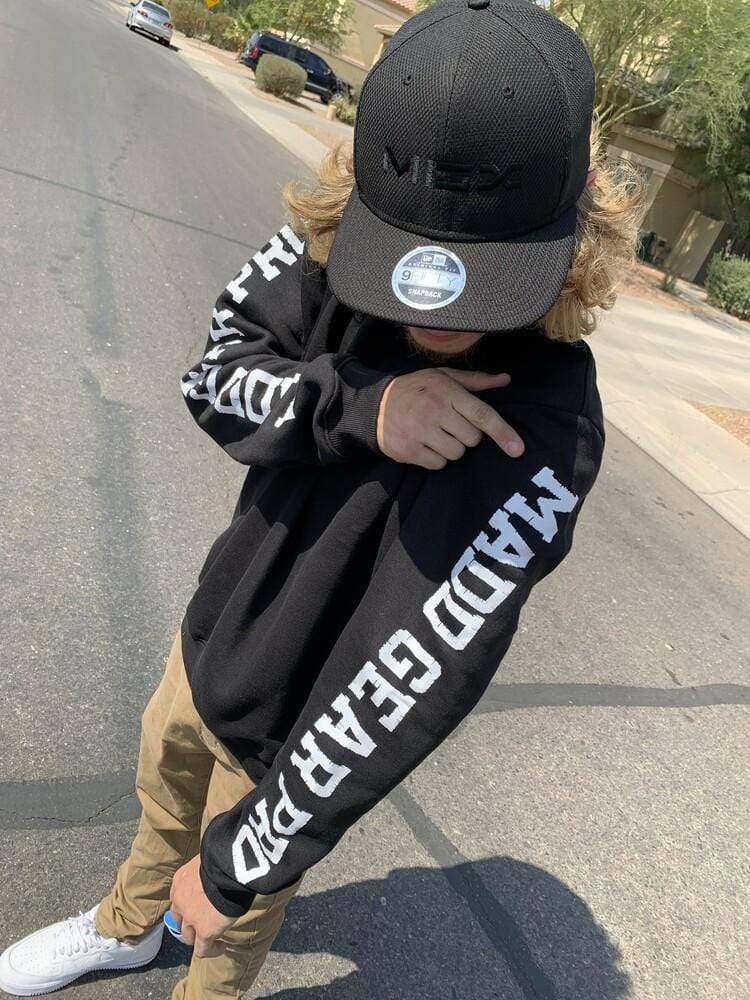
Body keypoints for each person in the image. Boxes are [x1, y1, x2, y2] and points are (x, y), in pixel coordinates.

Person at [0, 1, 643, 997]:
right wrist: (360, 407)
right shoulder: (334, 244)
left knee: (223, 939)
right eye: (407, 258)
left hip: (296, 747)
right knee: (159, 792)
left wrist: (243, 859)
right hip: (212, 640)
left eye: (482, 278)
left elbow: (418, 669)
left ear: (571, 227)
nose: (436, 313)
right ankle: (127, 926)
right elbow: (213, 375)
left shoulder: (550, 426)